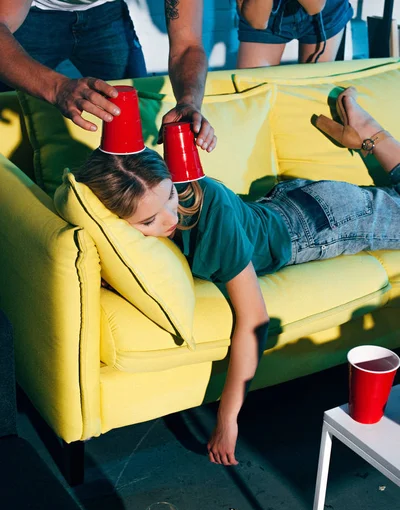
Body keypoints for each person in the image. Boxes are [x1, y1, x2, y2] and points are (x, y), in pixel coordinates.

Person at [74, 87, 400, 466]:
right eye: (149, 220)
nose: (170, 216)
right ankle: (365, 136)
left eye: (169, 197)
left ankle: (371, 134)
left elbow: (255, 319)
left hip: (322, 224)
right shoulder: (125, 208)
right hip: (287, 202)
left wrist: (227, 419)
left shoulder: (206, 215)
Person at [0, 0, 216, 152]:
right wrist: (57, 88)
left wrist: (189, 102)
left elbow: (188, 45)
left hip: (105, 13)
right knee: (8, 118)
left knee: (135, 117)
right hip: (34, 13)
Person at [236, 0, 353, 68]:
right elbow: (257, 21)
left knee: (314, 89)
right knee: (254, 92)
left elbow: (315, 6)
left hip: (324, 10)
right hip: (267, 9)